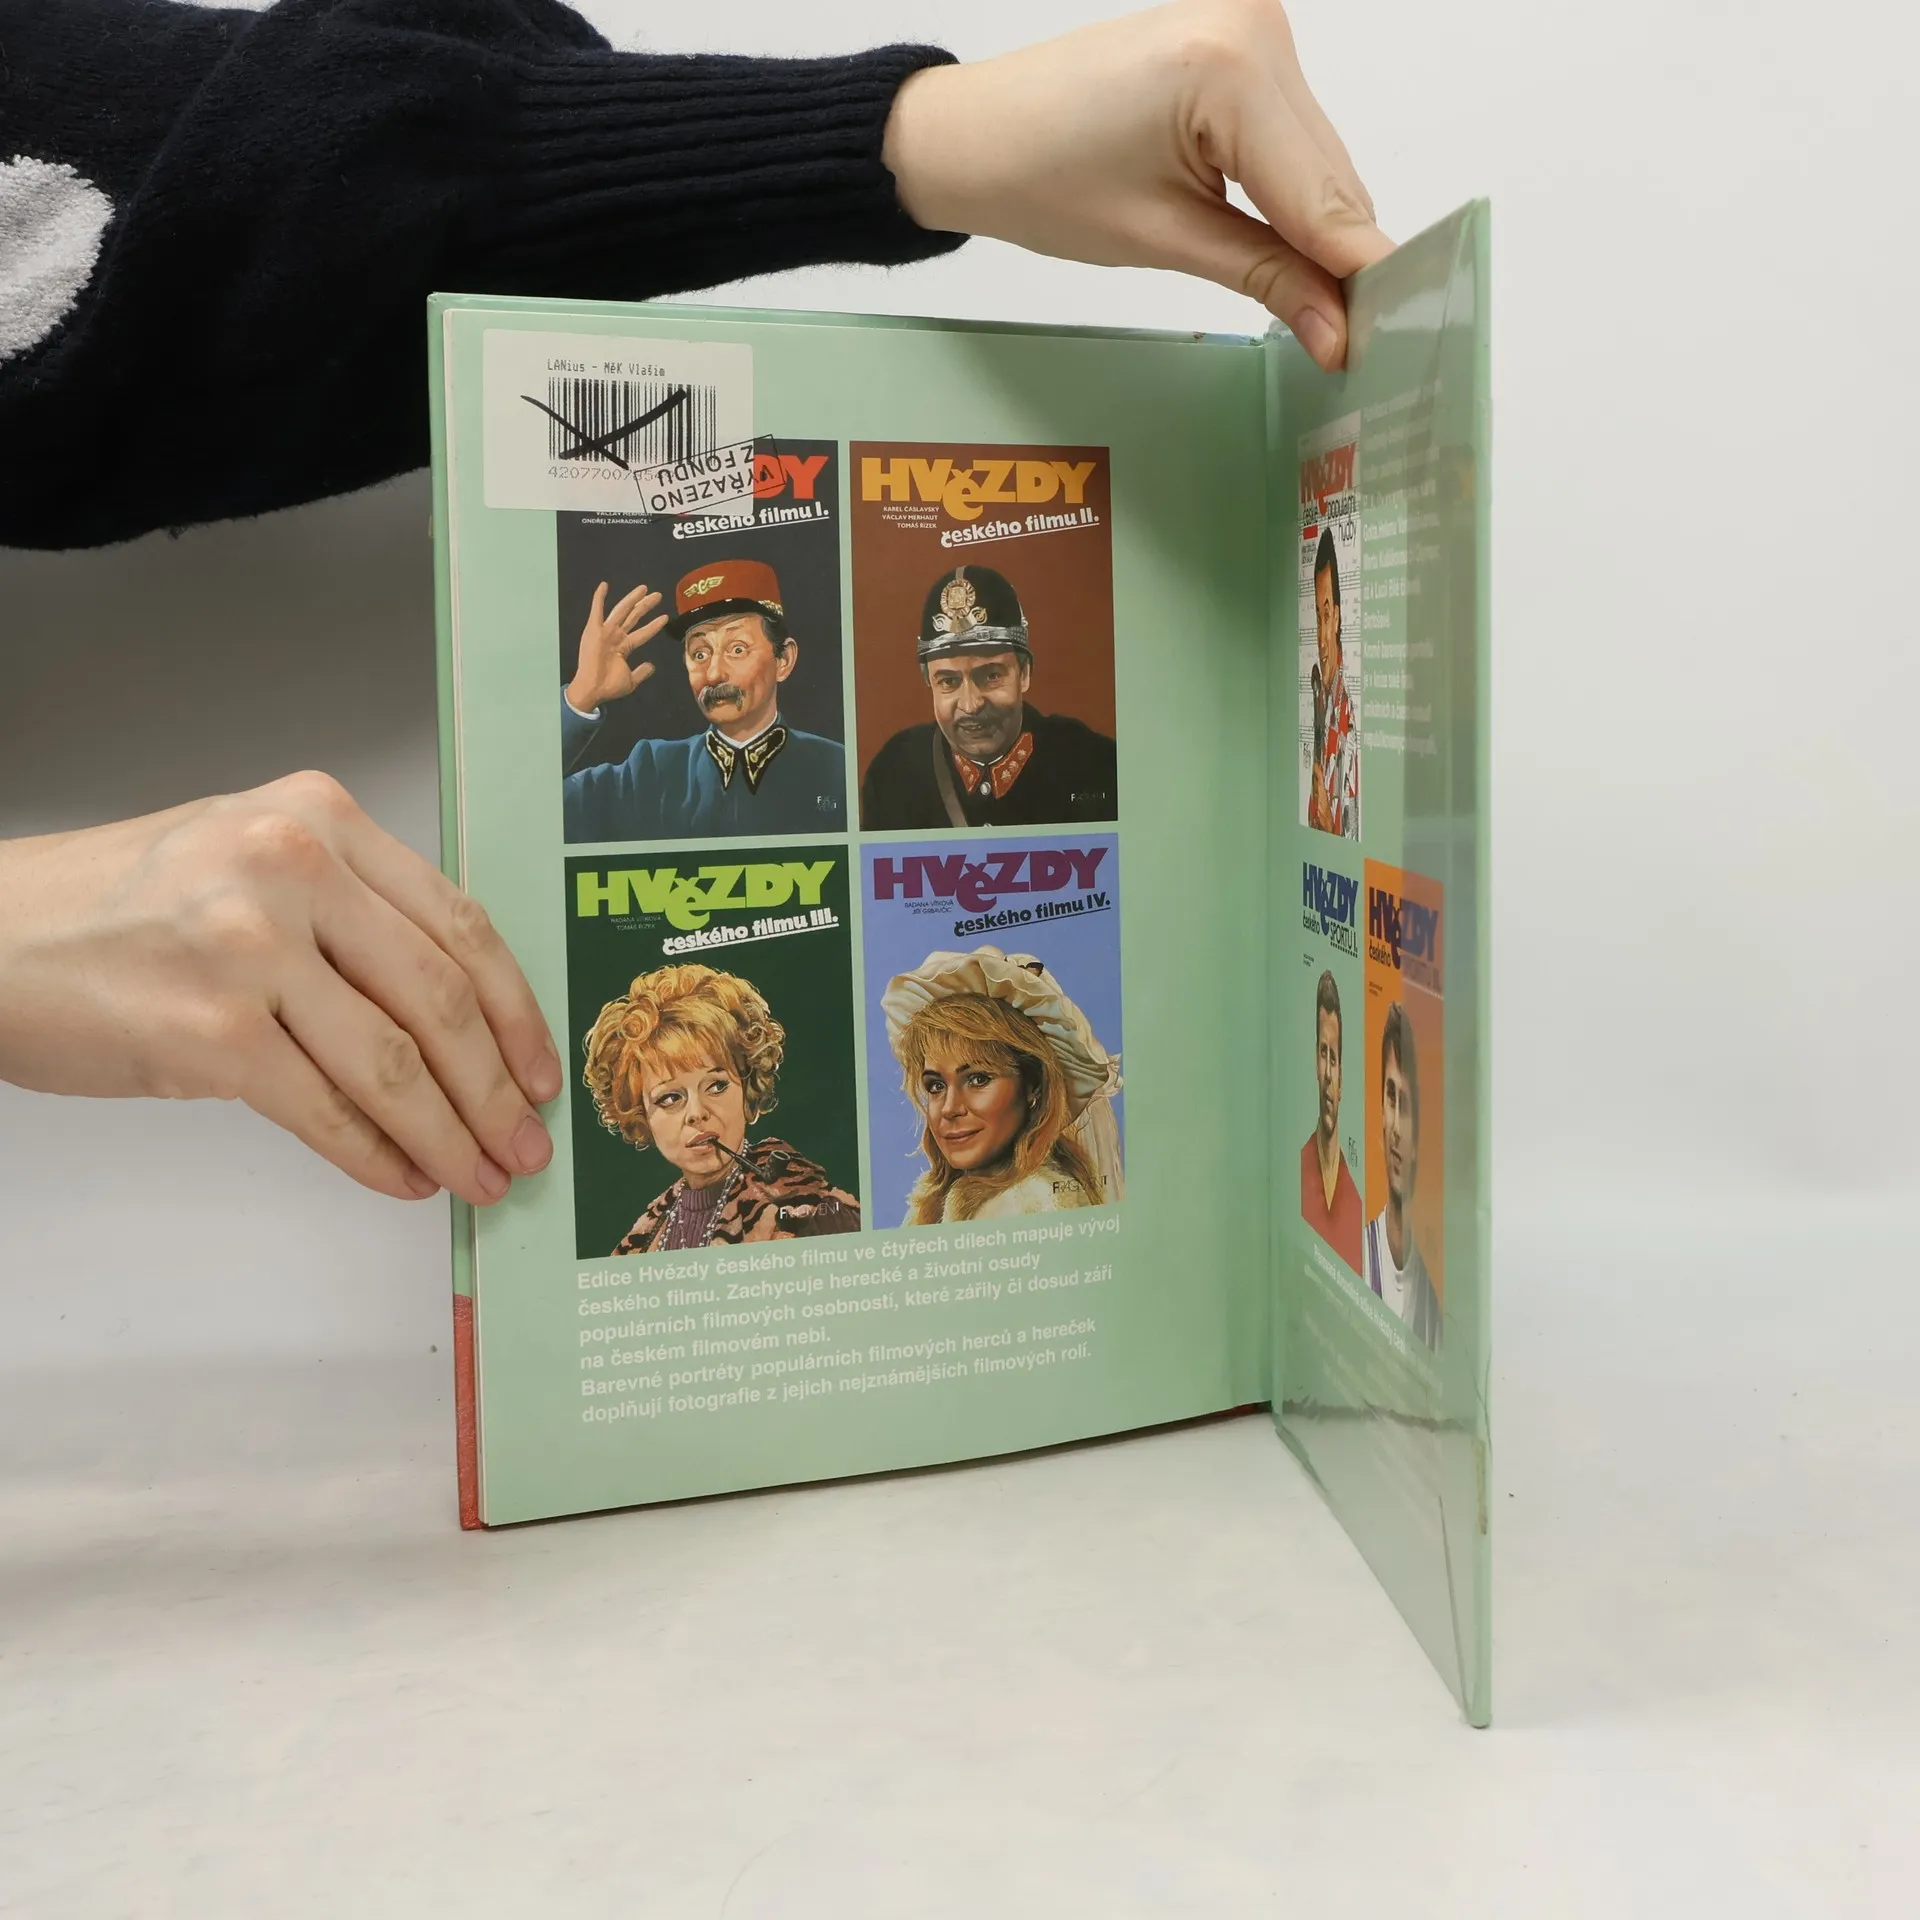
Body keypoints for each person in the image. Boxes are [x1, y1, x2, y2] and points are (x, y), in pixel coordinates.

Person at [0, 0, 1392, 1206]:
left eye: (735, 645)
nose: (714, 670)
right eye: (700, 648)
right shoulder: (724, 774)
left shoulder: (879, 771)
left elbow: (193, 192)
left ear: (788, 653)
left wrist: (908, 136)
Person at [582, 963, 859, 1253]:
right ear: (641, 1115)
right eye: (670, 1098)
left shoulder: (810, 1214)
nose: (696, 1113)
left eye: (716, 1086)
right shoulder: (641, 1241)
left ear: (747, 1085)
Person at [560, 562, 846, 841]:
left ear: (783, 660)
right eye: (699, 654)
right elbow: (536, 811)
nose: (713, 673)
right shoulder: (648, 772)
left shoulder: (837, 768)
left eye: (737, 649)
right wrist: (583, 694)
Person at [859, 565, 1118, 830]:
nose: (971, 705)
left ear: (1024, 673)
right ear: (929, 682)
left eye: (992, 676)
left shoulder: (1094, 765)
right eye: (948, 681)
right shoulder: (893, 773)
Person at [882, 946, 1123, 1225]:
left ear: (1033, 1086)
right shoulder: (937, 1202)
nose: (949, 1108)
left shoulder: (1035, 1205)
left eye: (978, 1079)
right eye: (936, 1086)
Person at [1363, 1002, 1441, 1347]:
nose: (1395, 1127)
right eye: (1391, 1097)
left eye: (1406, 1106)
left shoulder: (1435, 1301)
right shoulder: (1360, 1258)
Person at [1300, 968, 1362, 1270]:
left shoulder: (1356, 1208)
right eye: (1323, 1054)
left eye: (1334, 1059)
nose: (1327, 1073)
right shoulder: (1299, 1168)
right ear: (1315, 1061)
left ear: (1342, 1077)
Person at [1306, 528, 1360, 837]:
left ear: (1337, 618)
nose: (1321, 638)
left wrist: (1327, 825)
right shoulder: (1319, 701)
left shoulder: (1346, 722)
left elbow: (1351, 837)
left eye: (1327, 616)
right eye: (1317, 617)